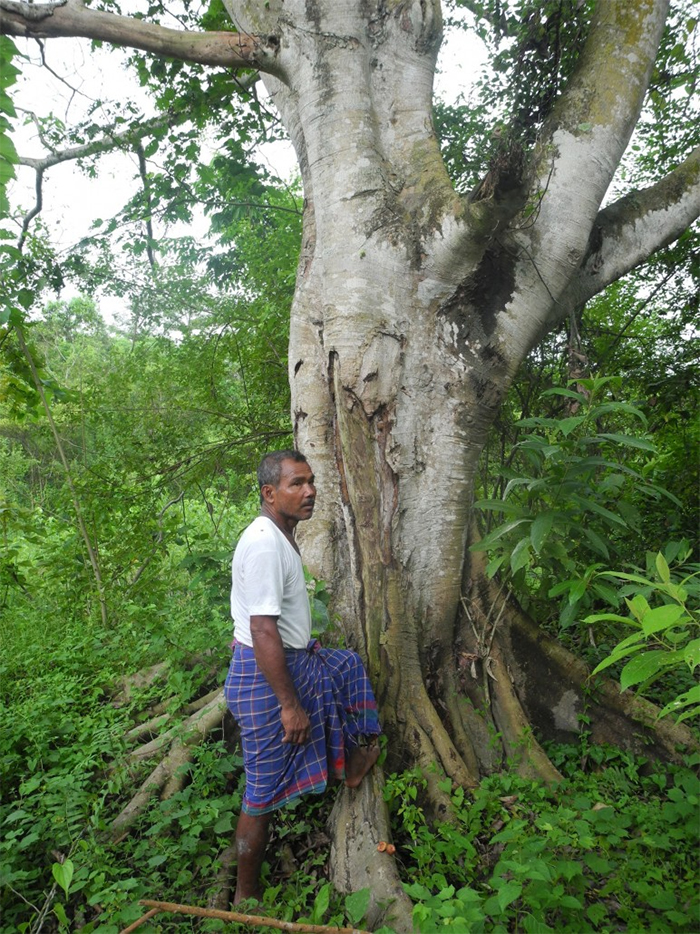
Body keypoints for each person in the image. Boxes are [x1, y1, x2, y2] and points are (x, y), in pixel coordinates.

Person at [224, 449, 381, 904]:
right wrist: (289, 705)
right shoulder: (264, 544)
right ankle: (244, 894)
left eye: (311, 481)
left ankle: (347, 762)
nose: (309, 491)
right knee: (260, 793)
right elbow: (261, 628)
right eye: (296, 484)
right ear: (269, 493)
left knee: (345, 666)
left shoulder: (281, 533)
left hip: (292, 661)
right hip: (267, 677)